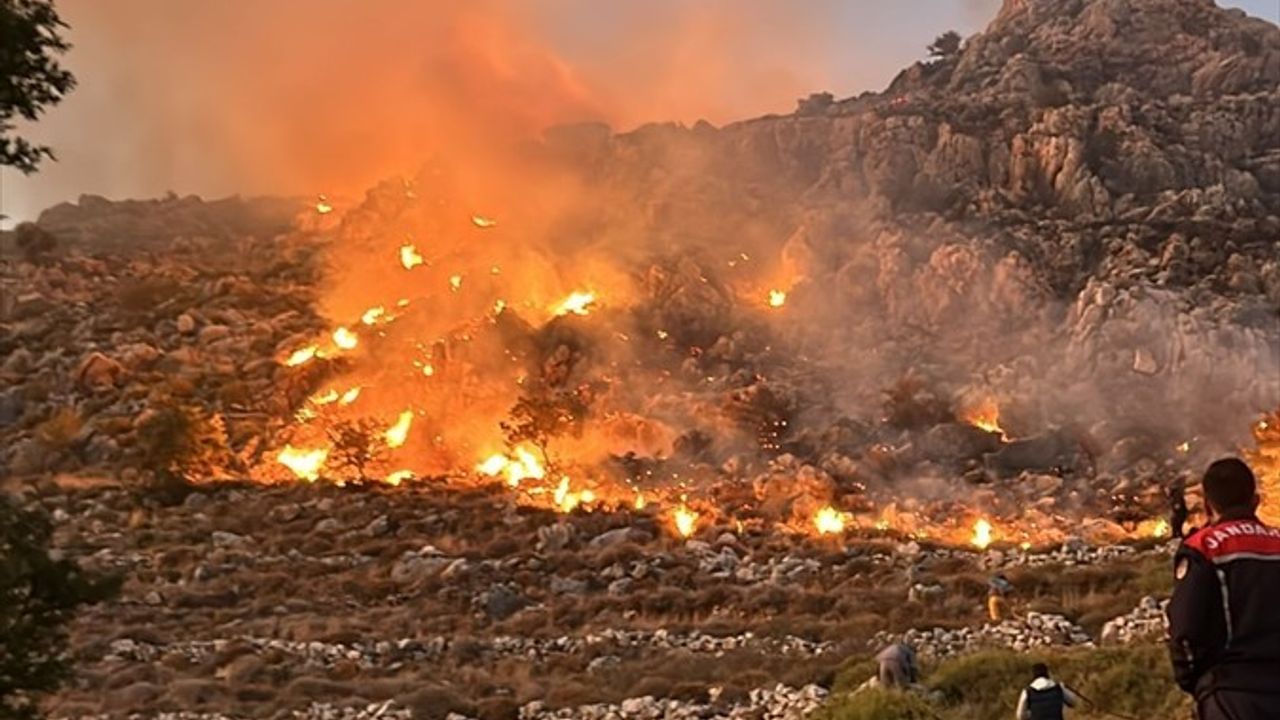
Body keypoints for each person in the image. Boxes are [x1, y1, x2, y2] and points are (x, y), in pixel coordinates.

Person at [1166, 458, 1280, 718]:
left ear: (1207, 505)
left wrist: (1196, 682)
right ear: (1256, 501)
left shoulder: (1203, 547)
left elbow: (1185, 629)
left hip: (1233, 694)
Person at [1014, 663, 1080, 720]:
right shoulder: (1058, 688)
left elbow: (1020, 716)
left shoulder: (1027, 692)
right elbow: (1074, 702)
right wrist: (1063, 688)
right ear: (1047, 673)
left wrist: (1032, 715)